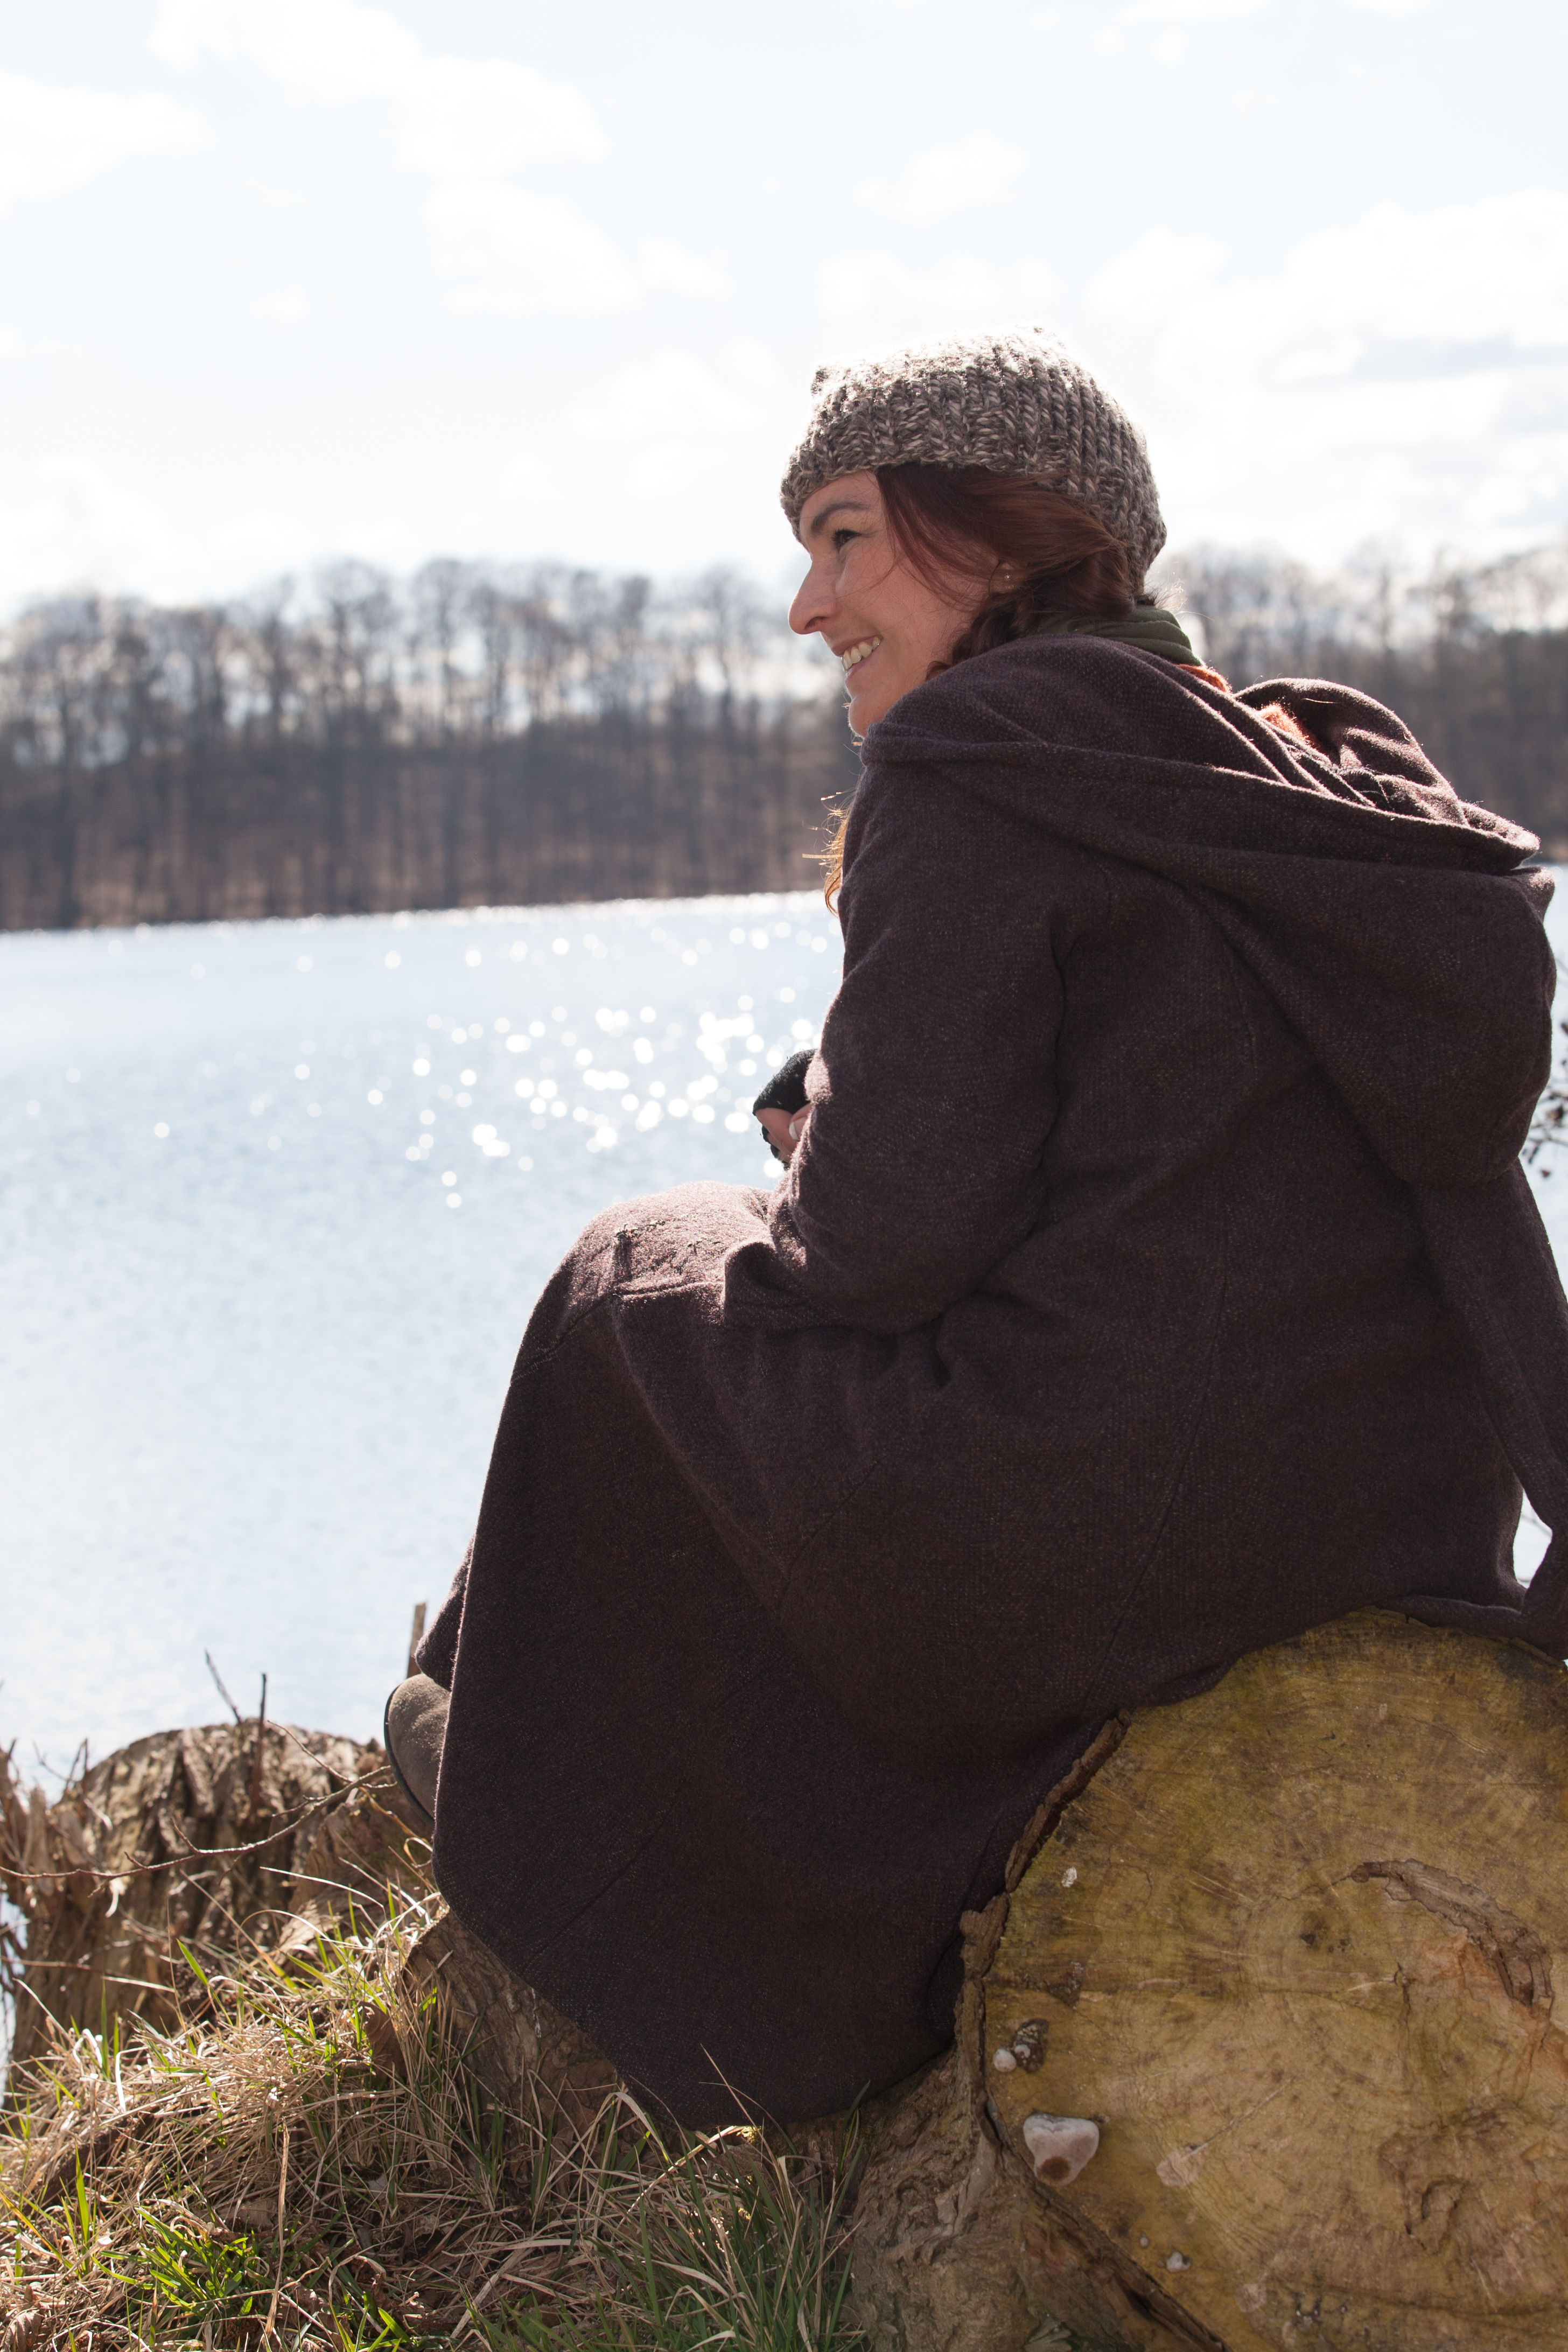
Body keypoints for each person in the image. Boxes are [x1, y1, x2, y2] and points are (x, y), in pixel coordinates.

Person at [384, 327, 1568, 2127]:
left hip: (1103, 1537)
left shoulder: (976, 765)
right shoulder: (1318, 775)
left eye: (846, 537)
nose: (808, 605)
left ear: (1007, 529)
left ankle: (504, 1764)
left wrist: (809, 1168)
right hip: (1376, 1531)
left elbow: (876, 1254)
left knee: (630, 1278)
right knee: (732, 1303)